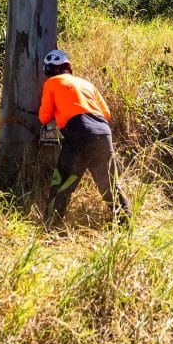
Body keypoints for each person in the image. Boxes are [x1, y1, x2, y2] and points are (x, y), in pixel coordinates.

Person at [39, 48, 131, 226]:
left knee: (61, 185)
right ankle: (127, 228)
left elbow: (44, 117)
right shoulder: (87, 84)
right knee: (111, 188)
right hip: (103, 133)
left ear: (50, 69)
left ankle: (49, 229)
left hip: (79, 134)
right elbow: (106, 113)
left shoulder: (52, 83)